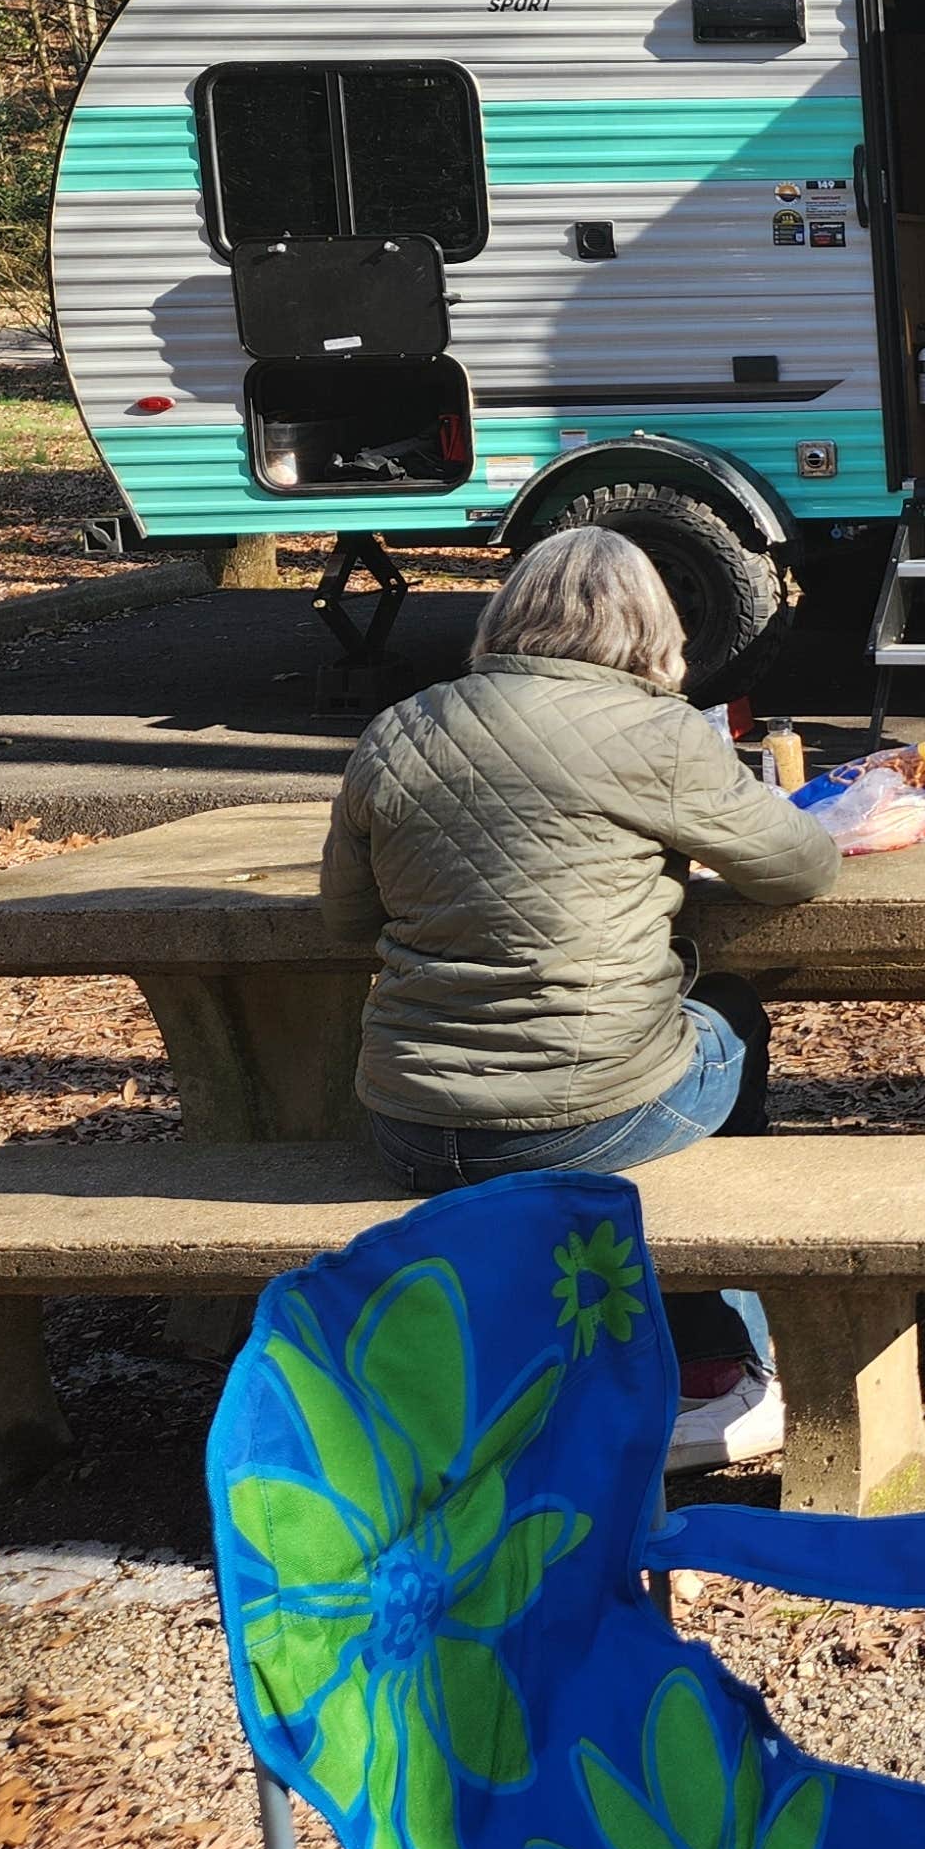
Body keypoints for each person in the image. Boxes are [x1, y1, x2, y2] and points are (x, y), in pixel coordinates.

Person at [320, 526, 838, 1470]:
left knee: (665, 1050)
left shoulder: (398, 727)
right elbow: (802, 868)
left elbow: (347, 917)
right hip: (579, 1119)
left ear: (506, 615)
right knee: (730, 1017)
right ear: (653, 627)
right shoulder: (658, 732)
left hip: (408, 1122)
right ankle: (718, 1358)